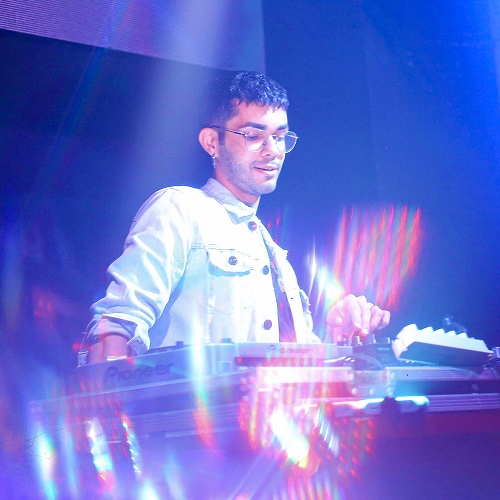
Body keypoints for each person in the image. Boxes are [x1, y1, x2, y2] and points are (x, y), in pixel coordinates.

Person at [85, 71, 390, 364]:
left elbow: (294, 364)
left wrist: (336, 332)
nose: (273, 151)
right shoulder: (180, 207)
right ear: (211, 142)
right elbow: (119, 320)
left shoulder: (275, 256)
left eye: (280, 137)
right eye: (254, 136)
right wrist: (109, 386)